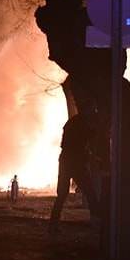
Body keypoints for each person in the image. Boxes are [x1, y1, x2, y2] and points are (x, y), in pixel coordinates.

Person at [48, 100, 101, 234]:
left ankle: (53, 224)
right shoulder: (79, 124)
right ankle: (96, 220)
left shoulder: (75, 122)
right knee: (88, 191)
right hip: (74, 162)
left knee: (64, 194)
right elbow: (80, 141)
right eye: (92, 109)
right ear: (85, 109)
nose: (94, 112)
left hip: (68, 161)